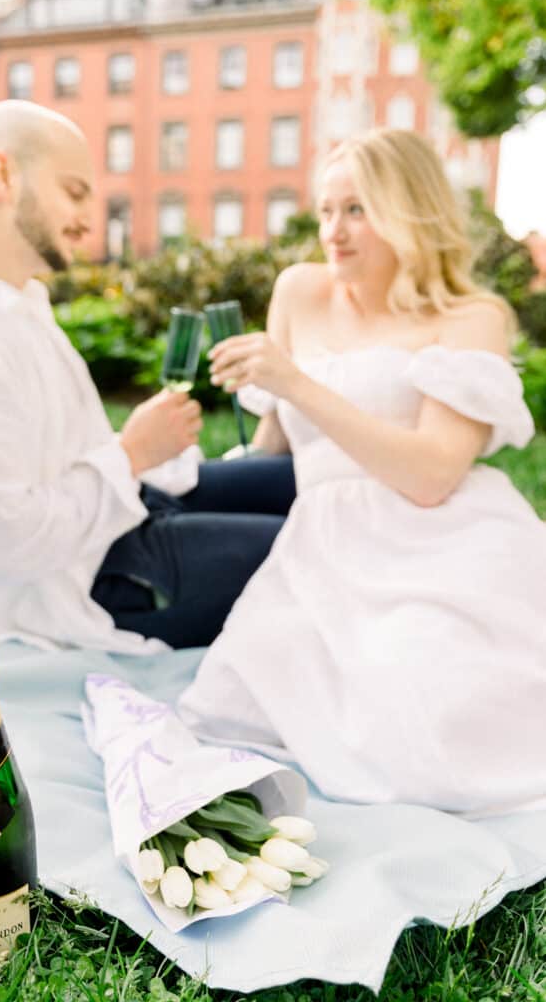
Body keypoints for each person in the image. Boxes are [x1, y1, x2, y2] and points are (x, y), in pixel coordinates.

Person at [179, 128, 546, 817]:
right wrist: (200, 473)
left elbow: (433, 473)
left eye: (356, 211)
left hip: (443, 539)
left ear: (410, 213)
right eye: (324, 210)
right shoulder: (299, 292)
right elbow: (275, 449)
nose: (332, 232)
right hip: (324, 540)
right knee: (240, 692)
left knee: (424, 694)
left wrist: (295, 382)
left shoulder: (470, 318)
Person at [0, 100, 294, 653]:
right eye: (73, 192)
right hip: (87, 587)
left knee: (313, 480)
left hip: (126, 510)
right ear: (2, 174)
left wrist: (142, 459)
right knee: (317, 548)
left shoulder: (12, 300)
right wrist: (132, 453)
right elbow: (4, 541)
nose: (89, 219)